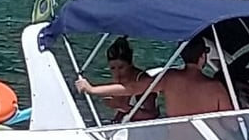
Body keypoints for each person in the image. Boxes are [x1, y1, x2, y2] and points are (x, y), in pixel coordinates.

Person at [76, 39, 230, 118]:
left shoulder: (169, 78)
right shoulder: (216, 88)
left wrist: (92, 89)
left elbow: (132, 88)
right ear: (203, 57)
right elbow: (232, 126)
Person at [102, 36, 159, 122]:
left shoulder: (141, 81)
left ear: (130, 65)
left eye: (121, 67)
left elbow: (152, 115)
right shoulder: (122, 79)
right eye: (112, 68)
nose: (117, 72)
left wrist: (124, 107)